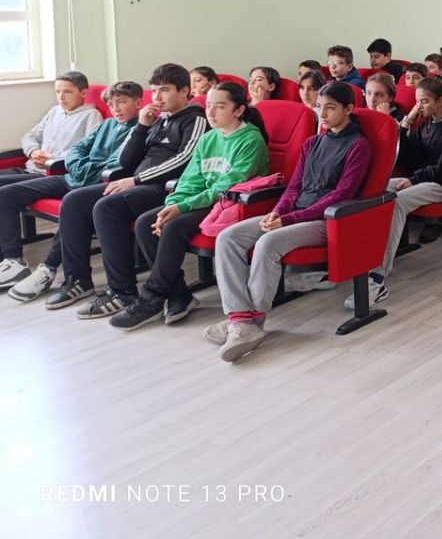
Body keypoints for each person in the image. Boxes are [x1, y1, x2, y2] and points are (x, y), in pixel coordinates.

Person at [209, 81, 371, 361]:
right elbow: (294, 186)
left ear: (348, 109)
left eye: (330, 108)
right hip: (293, 214)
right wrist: (277, 213)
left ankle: (254, 321)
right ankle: (239, 318)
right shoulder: (312, 143)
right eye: (319, 107)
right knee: (228, 238)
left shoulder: (358, 145)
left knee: (268, 242)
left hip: (326, 220)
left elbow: (342, 194)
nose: (322, 113)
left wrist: (289, 219)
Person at [50, 63, 209, 317]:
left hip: (167, 188)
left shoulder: (196, 118)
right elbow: (126, 162)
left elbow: (185, 160)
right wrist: (142, 126)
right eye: (154, 91)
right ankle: (77, 279)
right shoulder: (158, 120)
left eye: (164, 90)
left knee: (106, 207)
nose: (156, 98)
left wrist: (135, 181)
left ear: (184, 91)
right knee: (74, 201)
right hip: (139, 184)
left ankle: (122, 291)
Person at [113, 82, 270, 331]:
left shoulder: (250, 140)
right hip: (201, 200)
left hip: (230, 204)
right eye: (208, 106)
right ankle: (178, 294)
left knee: (174, 227)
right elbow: (190, 179)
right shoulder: (208, 138)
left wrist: (182, 208)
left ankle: (152, 297)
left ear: (239, 110)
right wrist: (173, 204)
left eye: (220, 106)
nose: (211, 112)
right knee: (147, 222)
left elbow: (225, 187)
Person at [2, 82, 143, 297]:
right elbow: (78, 149)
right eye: (112, 104)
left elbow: (117, 164)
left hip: (96, 185)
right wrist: (79, 165)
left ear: (139, 103)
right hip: (71, 178)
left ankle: (47, 269)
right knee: (6, 194)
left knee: (73, 206)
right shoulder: (106, 125)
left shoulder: (139, 130)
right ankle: (13, 260)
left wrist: (83, 167)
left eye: (122, 103)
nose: (116, 109)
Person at [370, 77, 442, 303]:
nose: (420, 106)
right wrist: (407, 121)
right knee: (373, 189)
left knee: (397, 201)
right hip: (422, 179)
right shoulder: (425, 125)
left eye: (424, 101)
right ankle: (360, 258)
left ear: (440, 100)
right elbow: (408, 156)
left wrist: (414, 180)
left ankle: (377, 276)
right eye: (417, 102)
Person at [3, 71, 102, 188]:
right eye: (58, 91)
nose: (61, 97)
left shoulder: (91, 115)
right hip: (29, 169)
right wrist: (33, 151)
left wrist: (51, 158)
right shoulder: (55, 111)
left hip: (49, 172)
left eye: (67, 92)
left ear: (84, 93)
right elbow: (30, 136)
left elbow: (89, 151)